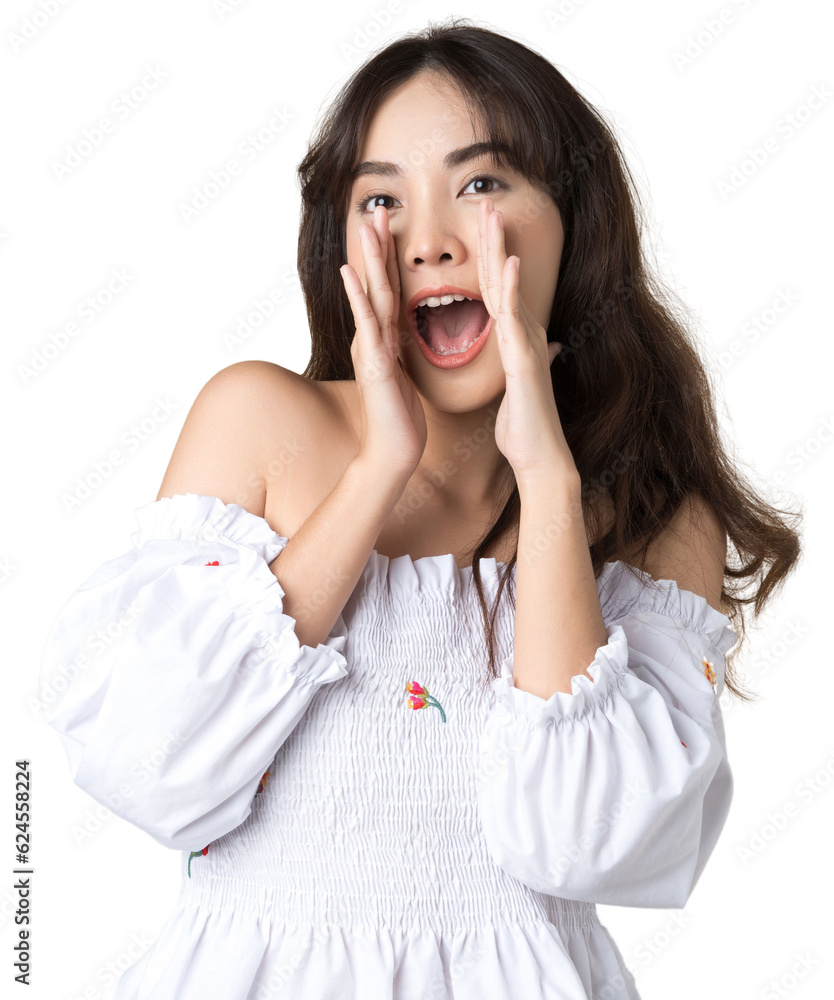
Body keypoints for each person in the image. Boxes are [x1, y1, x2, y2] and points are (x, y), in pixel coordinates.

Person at [39, 18, 802, 1000]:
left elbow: (582, 845)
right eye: (382, 198)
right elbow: (148, 766)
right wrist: (375, 474)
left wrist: (552, 484)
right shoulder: (261, 420)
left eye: (482, 183)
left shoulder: (656, 515)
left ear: (574, 216)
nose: (432, 240)